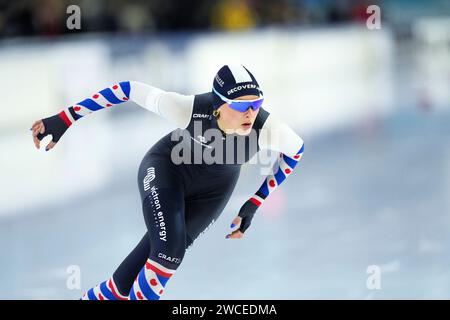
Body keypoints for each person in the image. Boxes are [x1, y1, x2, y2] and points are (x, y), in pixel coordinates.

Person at [30, 64, 304, 300]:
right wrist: (66, 117)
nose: (251, 113)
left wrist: (254, 202)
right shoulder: (189, 109)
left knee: (122, 287)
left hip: (212, 193)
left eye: (256, 104)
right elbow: (128, 88)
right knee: (169, 252)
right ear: (218, 105)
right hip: (167, 171)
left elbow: (295, 153)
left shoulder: (269, 129)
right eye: (242, 105)